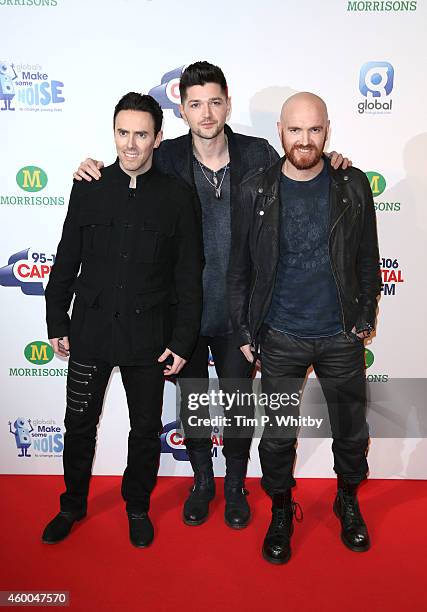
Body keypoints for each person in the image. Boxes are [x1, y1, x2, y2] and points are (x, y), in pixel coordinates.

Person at [73, 62, 350, 530]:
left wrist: (336, 161)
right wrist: (91, 167)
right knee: (195, 404)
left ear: (227, 103)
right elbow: (129, 166)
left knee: (240, 403)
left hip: (241, 312)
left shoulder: (259, 154)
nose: (206, 113)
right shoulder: (166, 158)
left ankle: (237, 484)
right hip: (182, 313)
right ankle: (203, 482)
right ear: (181, 109)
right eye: (195, 103)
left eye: (214, 102)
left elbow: (305, 168)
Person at [43, 92, 203, 548]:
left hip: (149, 337)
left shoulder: (177, 197)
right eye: (122, 133)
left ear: (157, 138)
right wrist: (57, 318)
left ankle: (137, 505)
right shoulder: (89, 185)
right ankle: (71, 505)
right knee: (78, 426)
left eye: (141, 134)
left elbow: (189, 276)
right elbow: (66, 256)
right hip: (90, 330)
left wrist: (182, 338)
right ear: (113, 132)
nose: (130, 144)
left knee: (146, 431)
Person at [228, 92, 381, 564]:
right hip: (280, 336)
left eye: (314, 129)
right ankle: (279, 508)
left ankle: (347, 501)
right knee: (276, 437)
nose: (305, 140)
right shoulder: (255, 189)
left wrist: (363, 318)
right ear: (280, 130)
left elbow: (368, 260)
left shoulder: (352, 185)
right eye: (296, 130)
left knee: (351, 432)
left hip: (340, 335)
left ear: (327, 129)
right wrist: (246, 333)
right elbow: (239, 271)